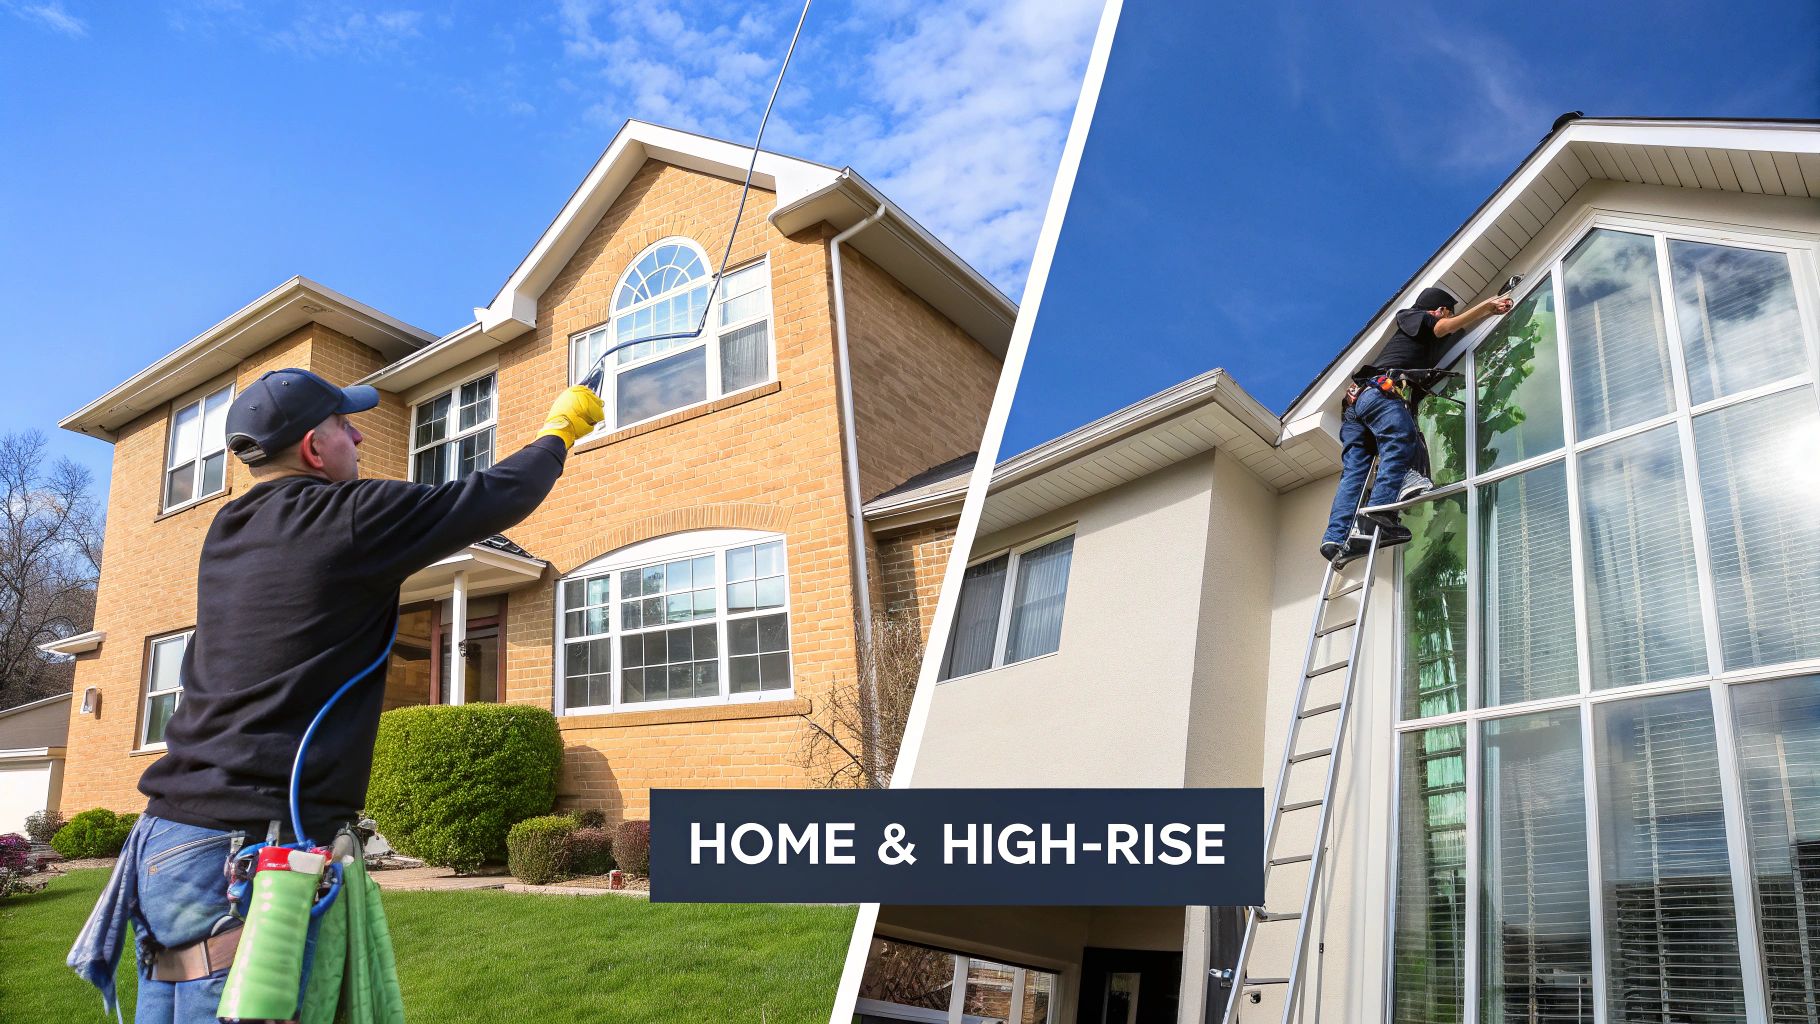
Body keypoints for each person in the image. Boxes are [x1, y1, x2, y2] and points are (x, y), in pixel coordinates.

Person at [70, 368, 605, 1024]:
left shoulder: (228, 528)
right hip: (245, 844)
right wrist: (560, 429)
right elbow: (496, 494)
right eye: (344, 426)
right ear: (314, 449)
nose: (357, 434)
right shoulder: (348, 518)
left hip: (165, 837)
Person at [1319, 286, 1513, 564]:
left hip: (1356, 408)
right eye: (1447, 314)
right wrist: (1486, 307)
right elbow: (1444, 328)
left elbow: (1453, 336)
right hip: (1379, 394)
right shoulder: (1414, 317)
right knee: (1401, 438)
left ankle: (1335, 539)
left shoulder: (1419, 342)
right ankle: (1380, 513)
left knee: (1355, 473)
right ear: (1441, 311)